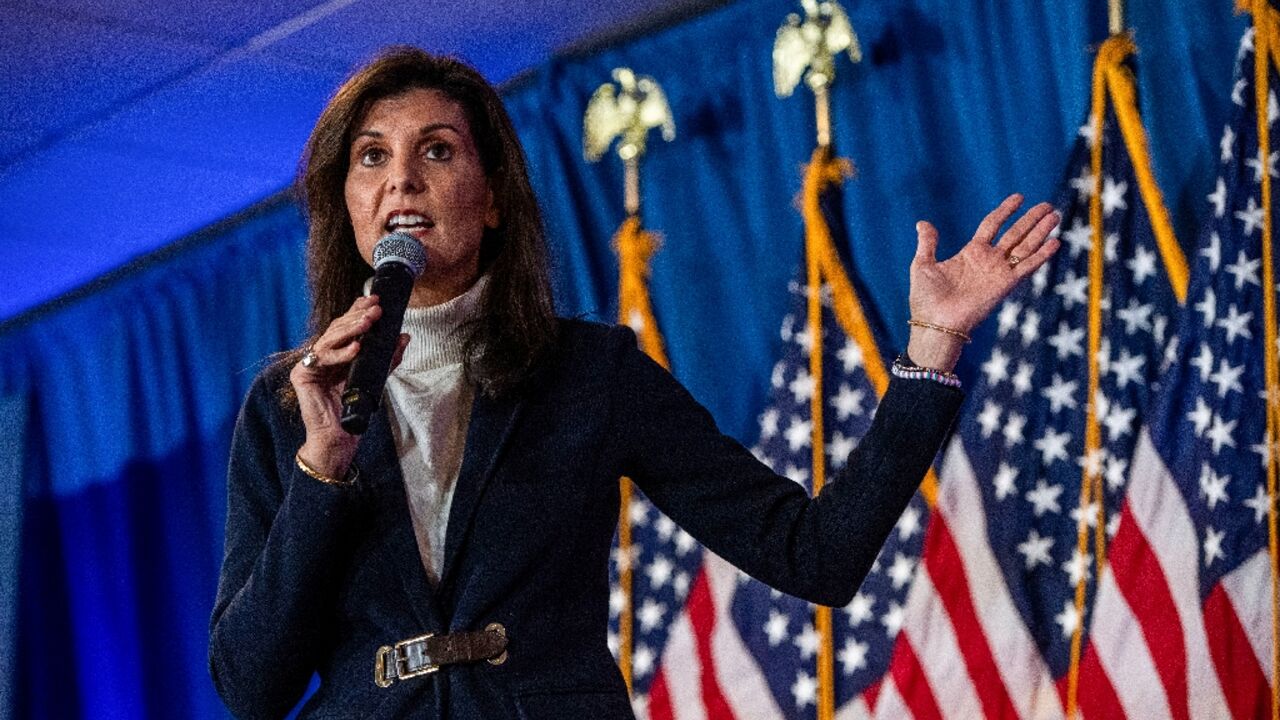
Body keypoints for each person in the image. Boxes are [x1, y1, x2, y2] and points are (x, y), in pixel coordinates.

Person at [208, 46, 1060, 720]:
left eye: (437, 150)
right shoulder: (289, 408)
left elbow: (815, 554)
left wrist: (931, 350)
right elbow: (250, 687)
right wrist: (321, 471)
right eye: (371, 157)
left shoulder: (588, 372)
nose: (401, 178)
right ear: (346, 203)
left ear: (493, 197)